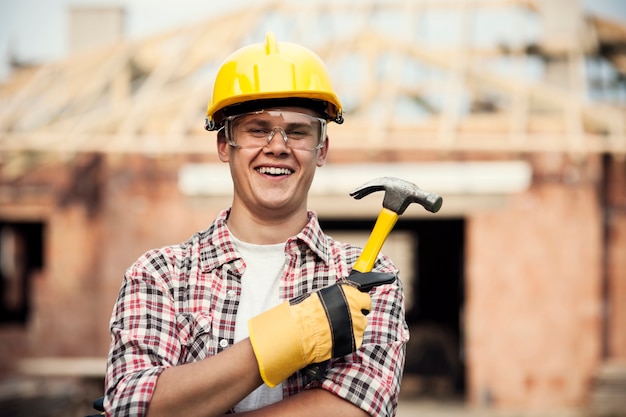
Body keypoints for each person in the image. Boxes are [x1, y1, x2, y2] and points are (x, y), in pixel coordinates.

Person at [104, 32, 409, 417]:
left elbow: (360, 408)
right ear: (223, 145)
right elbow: (133, 405)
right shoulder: (159, 275)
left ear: (322, 150)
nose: (278, 145)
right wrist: (289, 337)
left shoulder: (368, 280)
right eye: (257, 128)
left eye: (298, 131)